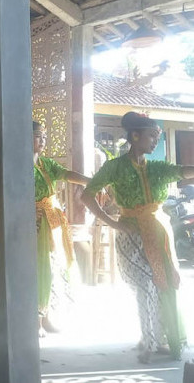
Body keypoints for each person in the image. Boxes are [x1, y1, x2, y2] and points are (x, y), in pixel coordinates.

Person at [82, 112, 194, 363]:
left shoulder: (156, 168)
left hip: (157, 233)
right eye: (152, 135)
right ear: (135, 135)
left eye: (158, 136)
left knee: (165, 285)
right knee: (145, 286)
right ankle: (149, 343)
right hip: (130, 235)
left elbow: (182, 171)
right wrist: (112, 223)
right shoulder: (115, 167)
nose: (155, 140)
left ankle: (160, 339)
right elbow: (87, 195)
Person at [33, 121, 89, 337]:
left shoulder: (46, 164)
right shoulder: (17, 164)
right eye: (38, 136)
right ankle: (35, 320)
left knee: (54, 267)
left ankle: (45, 316)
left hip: (52, 221)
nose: (42, 140)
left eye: (44, 136)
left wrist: (91, 182)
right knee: (40, 269)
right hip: (33, 223)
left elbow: (66, 174)